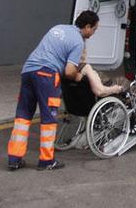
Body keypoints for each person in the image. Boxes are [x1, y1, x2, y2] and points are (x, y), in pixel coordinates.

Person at [7, 10, 100, 171]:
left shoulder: (57, 28)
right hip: (46, 75)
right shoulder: (78, 42)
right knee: (49, 119)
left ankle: (14, 159)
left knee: (22, 117)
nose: (93, 33)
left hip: (28, 71)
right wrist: (78, 76)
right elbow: (70, 71)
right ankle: (46, 160)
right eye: (94, 29)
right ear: (87, 27)